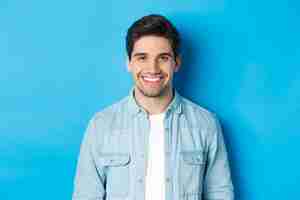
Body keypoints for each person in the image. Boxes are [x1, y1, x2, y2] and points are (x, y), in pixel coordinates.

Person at [72, 14, 234, 200]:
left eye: (163, 58)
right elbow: (85, 195)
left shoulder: (206, 124)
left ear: (177, 63)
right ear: (129, 63)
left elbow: (220, 193)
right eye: (142, 57)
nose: (153, 68)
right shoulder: (101, 125)